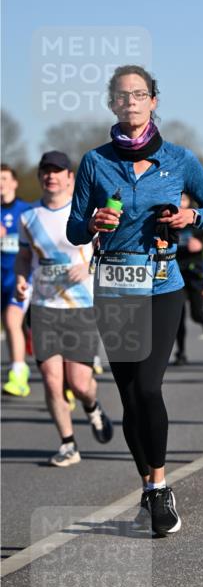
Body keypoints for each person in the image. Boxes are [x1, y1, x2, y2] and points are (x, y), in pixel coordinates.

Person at [67, 65, 203, 536]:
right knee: (130, 396)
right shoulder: (95, 162)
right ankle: (148, 486)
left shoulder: (179, 159)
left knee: (149, 386)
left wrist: (189, 217)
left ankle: (160, 489)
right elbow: (74, 229)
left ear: (153, 101)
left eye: (139, 94)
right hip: (115, 284)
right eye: (122, 96)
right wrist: (93, 223)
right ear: (112, 104)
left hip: (161, 281)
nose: (131, 102)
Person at [14, 152, 114, 466]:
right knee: (51, 379)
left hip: (80, 307)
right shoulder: (29, 217)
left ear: (70, 177)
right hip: (44, 308)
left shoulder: (86, 212)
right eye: (46, 171)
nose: (51, 176)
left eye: (58, 171)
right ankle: (68, 444)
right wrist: (21, 278)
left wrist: (88, 269)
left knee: (80, 383)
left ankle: (92, 406)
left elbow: (106, 251)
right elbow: (24, 257)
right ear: (39, 177)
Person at [172, 191, 203, 365]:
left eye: (184, 199)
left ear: (190, 200)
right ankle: (181, 353)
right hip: (176, 273)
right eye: (178, 199)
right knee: (178, 316)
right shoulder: (169, 219)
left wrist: (201, 244)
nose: (181, 203)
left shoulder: (196, 219)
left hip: (195, 273)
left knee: (197, 313)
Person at [1, 164, 32, 397]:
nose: (0, 183)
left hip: (20, 277)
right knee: (11, 325)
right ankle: (18, 365)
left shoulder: (27, 211)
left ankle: (18, 375)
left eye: (4, 178)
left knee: (12, 320)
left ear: (14, 183)